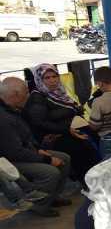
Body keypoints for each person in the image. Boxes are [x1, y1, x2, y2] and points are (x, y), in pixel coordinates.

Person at [0, 77, 72, 218]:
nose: (28, 96)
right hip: (8, 162)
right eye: (26, 93)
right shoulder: (3, 118)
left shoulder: (12, 109)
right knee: (50, 172)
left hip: (22, 152)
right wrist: (46, 159)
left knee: (64, 158)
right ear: (15, 95)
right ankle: (38, 205)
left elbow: (24, 136)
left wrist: (39, 148)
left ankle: (52, 197)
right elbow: (15, 152)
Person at [23, 63, 99, 187]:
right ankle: (88, 182)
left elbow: (69, 110)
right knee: (81, 148)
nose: (52, 80)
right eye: (47, 78)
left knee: (93, 137)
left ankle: (95, 178)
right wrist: (66, 129)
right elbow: (40, 122)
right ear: (39, 80)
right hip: (51, 137)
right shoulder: (38, 97)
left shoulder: (59, 92)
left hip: (67, 130)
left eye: (54, 76)